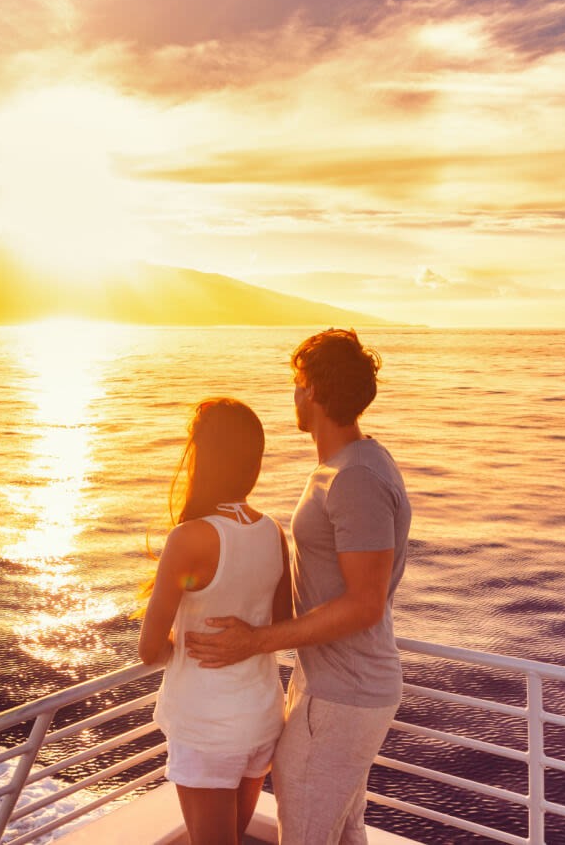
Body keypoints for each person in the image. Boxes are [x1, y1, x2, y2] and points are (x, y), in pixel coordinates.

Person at [186, 329, 411, 845]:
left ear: (310, 390)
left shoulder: (355, 478)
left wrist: (255, 640)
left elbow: (365, 604)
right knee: (344, 831)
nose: (293, 395)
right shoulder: (347, 467)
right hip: (329, 685)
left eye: (296, 383)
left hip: (344, 694)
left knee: (306, 834)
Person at [137, 397, 294, 845]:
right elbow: (279, 625)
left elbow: (149, 650)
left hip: (208, 726)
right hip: (262, 716)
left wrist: (180, 644)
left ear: (202, 457)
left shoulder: (189, 539)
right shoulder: (271, 531)